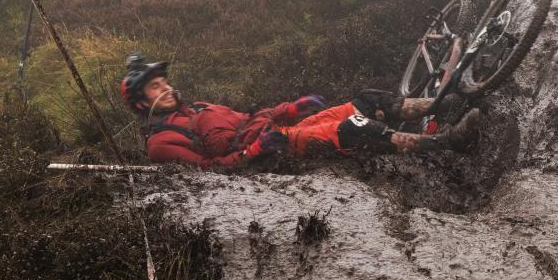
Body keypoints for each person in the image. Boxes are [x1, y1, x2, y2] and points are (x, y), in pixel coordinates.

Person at [119, 54, 480, 168]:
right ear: (140, 102)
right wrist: (251, 154)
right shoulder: (162, 143)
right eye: (154, 86)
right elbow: (207, 170)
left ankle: (442, 104)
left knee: (367, 100)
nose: (165, 87)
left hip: (277, 132)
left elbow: (250, 119)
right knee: (357, 127)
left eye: (164, 81)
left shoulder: (199, 107)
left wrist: (290, 108)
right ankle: (449, 143)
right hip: (273, 151)